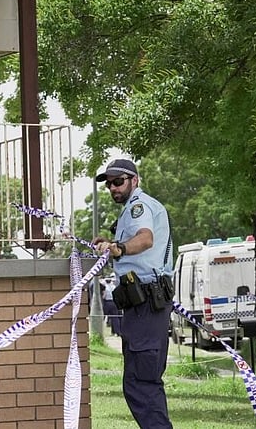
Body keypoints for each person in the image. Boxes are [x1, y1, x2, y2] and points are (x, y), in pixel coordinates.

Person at [92, 159, 174, 429]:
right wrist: (110, 244)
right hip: (141, 305)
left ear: (134, 180)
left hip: (147, 303)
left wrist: (120, 249)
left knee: (142, 385)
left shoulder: (139, 206)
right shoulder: (131, 208)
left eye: (118, 181)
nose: (113, 188)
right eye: (109, 184)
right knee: (140, 384)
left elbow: (145, 238)